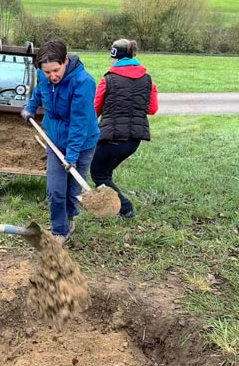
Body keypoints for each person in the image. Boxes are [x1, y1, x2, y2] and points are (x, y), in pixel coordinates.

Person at [21, 40, 100, 244]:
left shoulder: (83, 83)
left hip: (82, 144)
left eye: (56, 70)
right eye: (47, 73)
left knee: (73, 191)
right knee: (56, 190)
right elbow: (40, 92)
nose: (52, 76)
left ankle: (70, 216)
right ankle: (60, 230)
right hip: (55, 141)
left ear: (66, 60)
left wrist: (72, 156)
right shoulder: (44, 76)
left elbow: (79, 123)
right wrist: (31, 106)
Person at [90, 39, 159, 218]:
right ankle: (114, 205)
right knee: (106, 173)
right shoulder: (148, 79)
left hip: (111, 139)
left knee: (98, 174)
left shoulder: (109, 79)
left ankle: (125, 208)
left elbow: (94, 110)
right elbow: (152, 109)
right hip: (133, 141)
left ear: (115, 57)